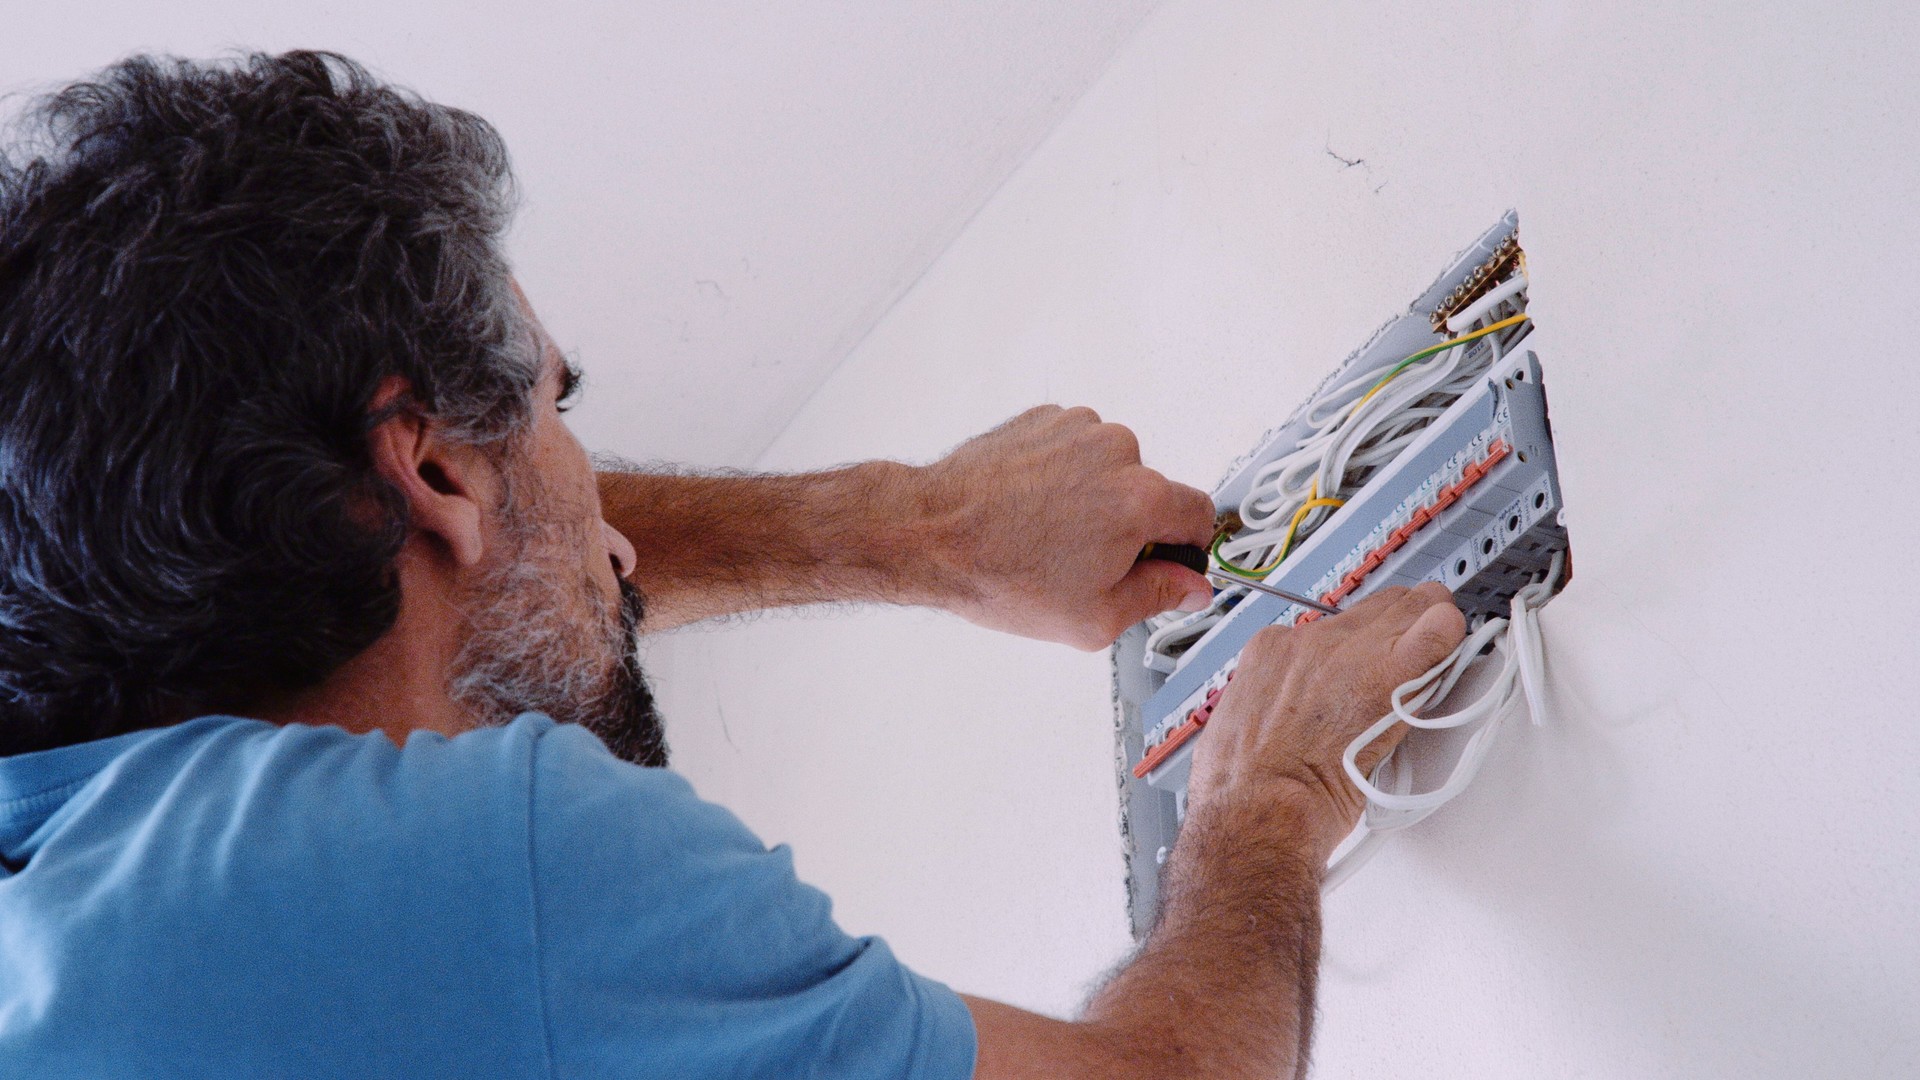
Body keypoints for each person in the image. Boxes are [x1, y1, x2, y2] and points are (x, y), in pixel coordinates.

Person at [0, 52, 1465, 1078]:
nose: (617, 535)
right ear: (434, 468)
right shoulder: (475, 869)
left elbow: (435, 542)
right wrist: (1267, 798)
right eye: (558, 410)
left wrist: (925, 532)